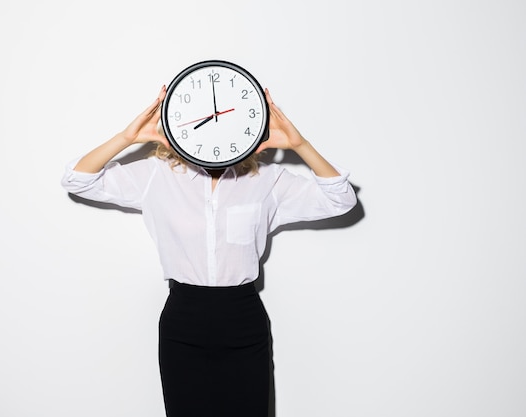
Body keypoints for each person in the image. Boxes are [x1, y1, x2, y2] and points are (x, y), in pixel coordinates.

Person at [61, 85, 357, 417]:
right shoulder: (155, 176)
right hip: (183, 319)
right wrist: (127, 137)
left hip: (243, 317)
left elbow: (341, 199)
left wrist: (299, 145)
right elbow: (77, 180)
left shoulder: (267, 181)